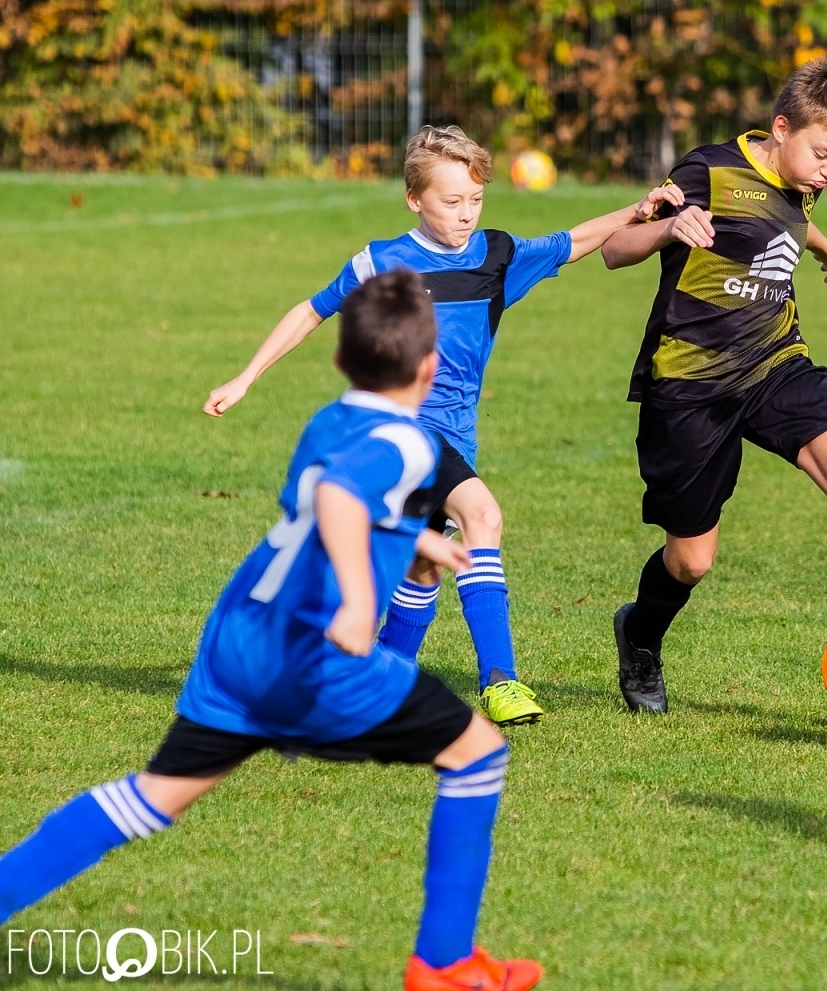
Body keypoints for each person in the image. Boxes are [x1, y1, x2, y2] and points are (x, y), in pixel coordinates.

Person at [0, 272, 544, 990]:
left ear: (340, 360)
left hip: (239, 638)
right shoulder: (412, 442)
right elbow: (340, 497)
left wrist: (416, 540)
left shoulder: (329, 419)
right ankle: (443, 964)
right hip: (310, 656)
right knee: (477, 754)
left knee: (152, 796)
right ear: (430, 366)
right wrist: (360, 602)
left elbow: (332, 500)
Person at [204, 125, 683, 726]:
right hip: (397, 432)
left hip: (456, 435)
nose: (465, 214)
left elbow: (572, 241)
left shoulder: (495, 257)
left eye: (475, 199)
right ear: (414, 199)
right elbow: (311, 310)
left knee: (423, 567)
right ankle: (500, 680)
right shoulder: (382, 262)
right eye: (451, 201)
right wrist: (245, 377)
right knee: (482, 515)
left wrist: (636, 210)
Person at [598, 56, 827, 727]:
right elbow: (614, 247)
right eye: (822, 155)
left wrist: (822, 247)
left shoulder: (801, 175)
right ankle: (640, 633)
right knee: (691, 561)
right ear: (781, 128)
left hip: (777, 362)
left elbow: (785, 212)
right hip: (692, 383)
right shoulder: (708, 172)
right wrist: (667, 228)